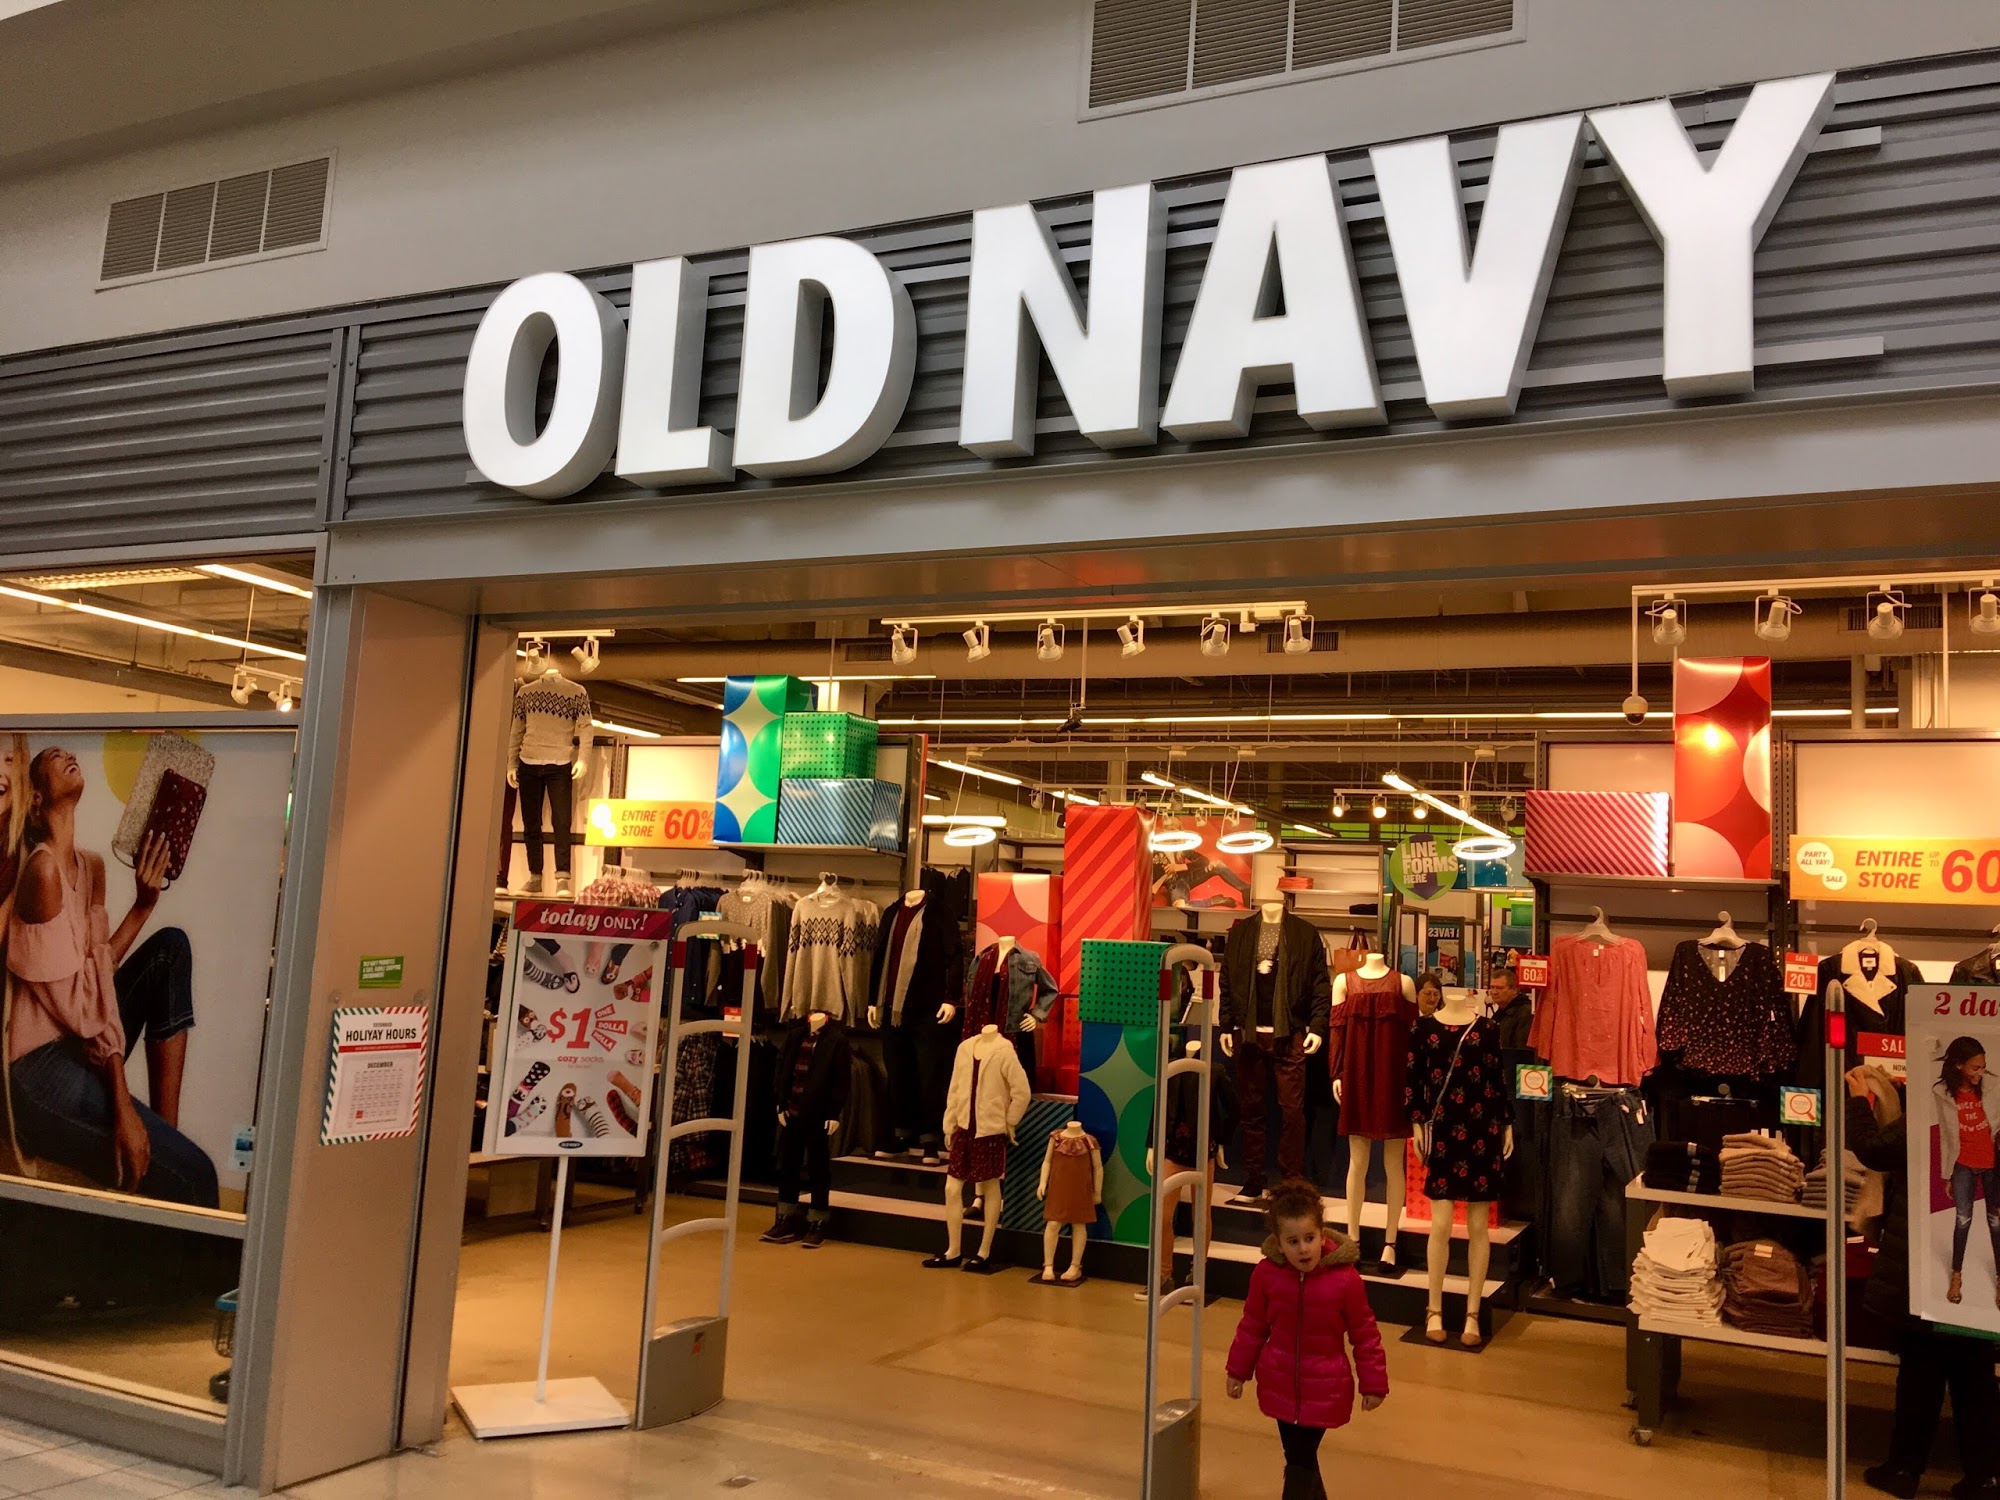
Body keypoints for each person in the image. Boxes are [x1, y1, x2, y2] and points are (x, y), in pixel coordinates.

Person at [5, 747, 218, 1206]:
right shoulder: (42, 873)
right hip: (39, 1069)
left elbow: (98, 979)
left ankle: (164, 1139)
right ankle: (165, 1174)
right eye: (54, 756)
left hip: (78, 1038)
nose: (67, 753)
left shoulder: (92, 867)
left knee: (170, 949)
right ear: (37, 800)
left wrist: (145, 903)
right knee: (199, 1177)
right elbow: (86, 1009)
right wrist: (122, 1106)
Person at [1849, 1063, 1999, 1499]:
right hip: (1982, 1256)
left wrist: (1859, 1101)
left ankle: (1904, 1470)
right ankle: (1984, 1477)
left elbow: (1874, 1149)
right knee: (1975, 1370)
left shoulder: (1934, 1108)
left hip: (1925, 1257)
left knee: (1921, 1369)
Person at [1225, 1178, 1388, 1500]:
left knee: (1300, 1460)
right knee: (1301, 1459)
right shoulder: (1266, 1275)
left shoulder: (1345, 1280)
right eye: (1293, 1241)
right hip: (1279, 1381)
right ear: (1278, 1242)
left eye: (1309, 1238)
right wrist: (1237, 1371)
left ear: (1322, 1234)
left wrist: (1373, 1383)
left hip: (1326, 1386)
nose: (1303, 1248)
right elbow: (1253, 1325)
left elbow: (1365, 1334)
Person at [1934, 1037, 2000, 1308]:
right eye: (1975, 1067)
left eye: (1983, 1067)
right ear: (1958, 1065)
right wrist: (1946, 1174)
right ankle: (1957, 1275)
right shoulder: (1942, 1093)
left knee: (1995, 1221)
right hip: (1962, 1165)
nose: (1980, 1073)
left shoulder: (1993, 1086)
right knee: (1963, 1220)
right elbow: (1946, 1136)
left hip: (1992, 1164)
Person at [1487, 966, 1532, 1052]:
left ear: (1514, 990)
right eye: (1492, 987)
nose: (1494, 992)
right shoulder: (1500, 1012)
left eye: (1500, 988)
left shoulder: (1525, 1013)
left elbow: (1522, 1052)